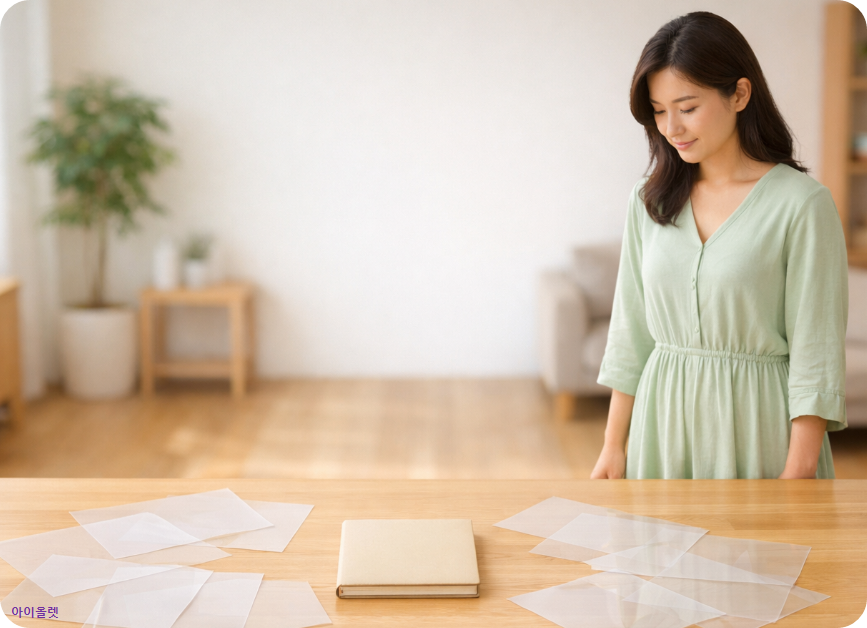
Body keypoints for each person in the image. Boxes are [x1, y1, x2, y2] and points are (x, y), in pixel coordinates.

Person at [590, 11, 848, 480]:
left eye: (687, 107)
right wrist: (612, 444)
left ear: (740, 94)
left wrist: (799, 471)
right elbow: (630, 331)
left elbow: (817, 352)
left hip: (760, 433)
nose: (671, 127)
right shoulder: (648, 200)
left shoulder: (803, 205)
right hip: (660, 429)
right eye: (659, 110)